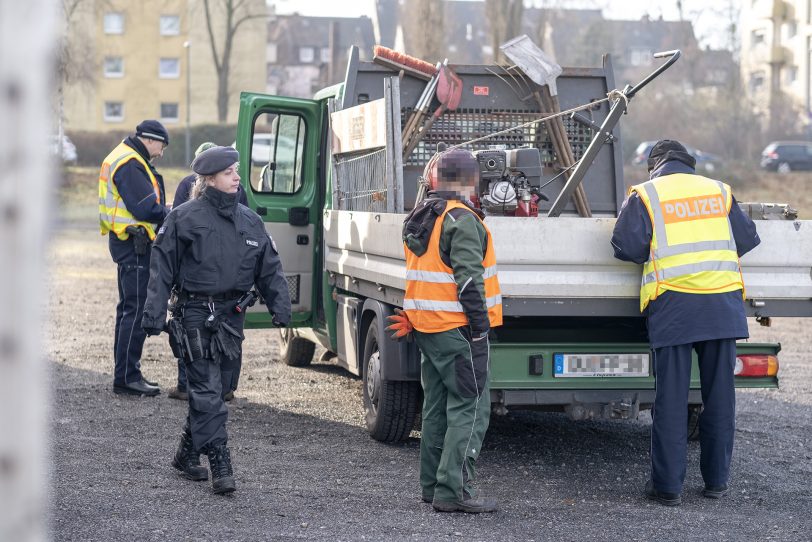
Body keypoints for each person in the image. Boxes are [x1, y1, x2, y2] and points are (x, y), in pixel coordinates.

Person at [611, 139, 760, 506]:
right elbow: (746, 238)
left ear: (654, 166)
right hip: (723, 306)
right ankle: (716, 484)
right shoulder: (719, 191)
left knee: (672, 402)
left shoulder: (646, 194)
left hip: (675, 306)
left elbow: (626, 247)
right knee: (720, 399)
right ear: (689, 164)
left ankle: (667, 488)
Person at [142, 146, 291, 495]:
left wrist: (280, 307)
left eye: (237, 170)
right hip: (194, 314)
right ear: (209, 179)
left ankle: (185, 453)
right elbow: (160, 268)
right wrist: (153, 314)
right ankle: (220, 460)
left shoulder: (249, 220)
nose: (237, 177)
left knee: (221, 388)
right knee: (207, 389)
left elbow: (269, 266)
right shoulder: (183, 218)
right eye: (229, 172)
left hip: (230, 318)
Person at [391, 149, 502, 514]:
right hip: (458, 330)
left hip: (428, 327)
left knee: (437, 407)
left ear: (435, 180)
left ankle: (433, 486)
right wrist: (481, 329)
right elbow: (469, 280)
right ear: (470, 182)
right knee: (471, 406)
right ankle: (454, 491)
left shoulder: (422, 217)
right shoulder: (462, 220)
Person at [167, 142, 248, 402]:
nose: (234, 177)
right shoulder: (235, 189)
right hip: (211, 283)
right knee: (198, 334)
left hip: (205, 280)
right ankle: (224, 388)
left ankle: (189, 386)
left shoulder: (187, 185)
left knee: (192, 335)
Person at [98, 119, 171, 397]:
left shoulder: (124, 157)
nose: (161, 153)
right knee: (136, 309)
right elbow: (144, 209)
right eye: (162, 146)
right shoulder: (130, 163)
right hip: (134, 244)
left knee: (128, 308)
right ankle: (128, 378)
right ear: (150, 140)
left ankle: (126, 374)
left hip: (127, 242)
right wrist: (171, 212)